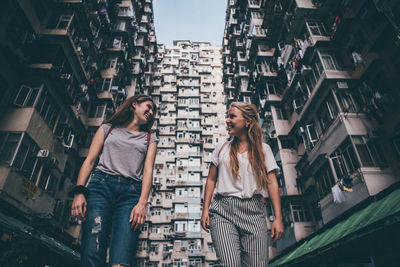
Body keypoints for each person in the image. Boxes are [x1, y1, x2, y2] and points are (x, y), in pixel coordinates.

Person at [70, 94, 158, 267]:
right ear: (134, 105)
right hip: (100, 189)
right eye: (148, 106)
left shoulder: (150, 139)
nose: (151, 111)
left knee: (122, 260)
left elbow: (148, 171)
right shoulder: (107, 128)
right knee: (92, 252)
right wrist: (79, 192)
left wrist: (142, 203)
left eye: (153, 110)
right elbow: (89, 161)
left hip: (130, 196)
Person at [201, 102, 284, 267]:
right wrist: (205, 210)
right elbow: (211, 180)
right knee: (230, 264)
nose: (227, 120)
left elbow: (272, 183)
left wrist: (278, 218)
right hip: (223, 211)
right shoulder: (221, 148)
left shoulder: (263, 149)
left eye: (232, 116)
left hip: (254, 212)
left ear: (247, 121)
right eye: (227, 116)